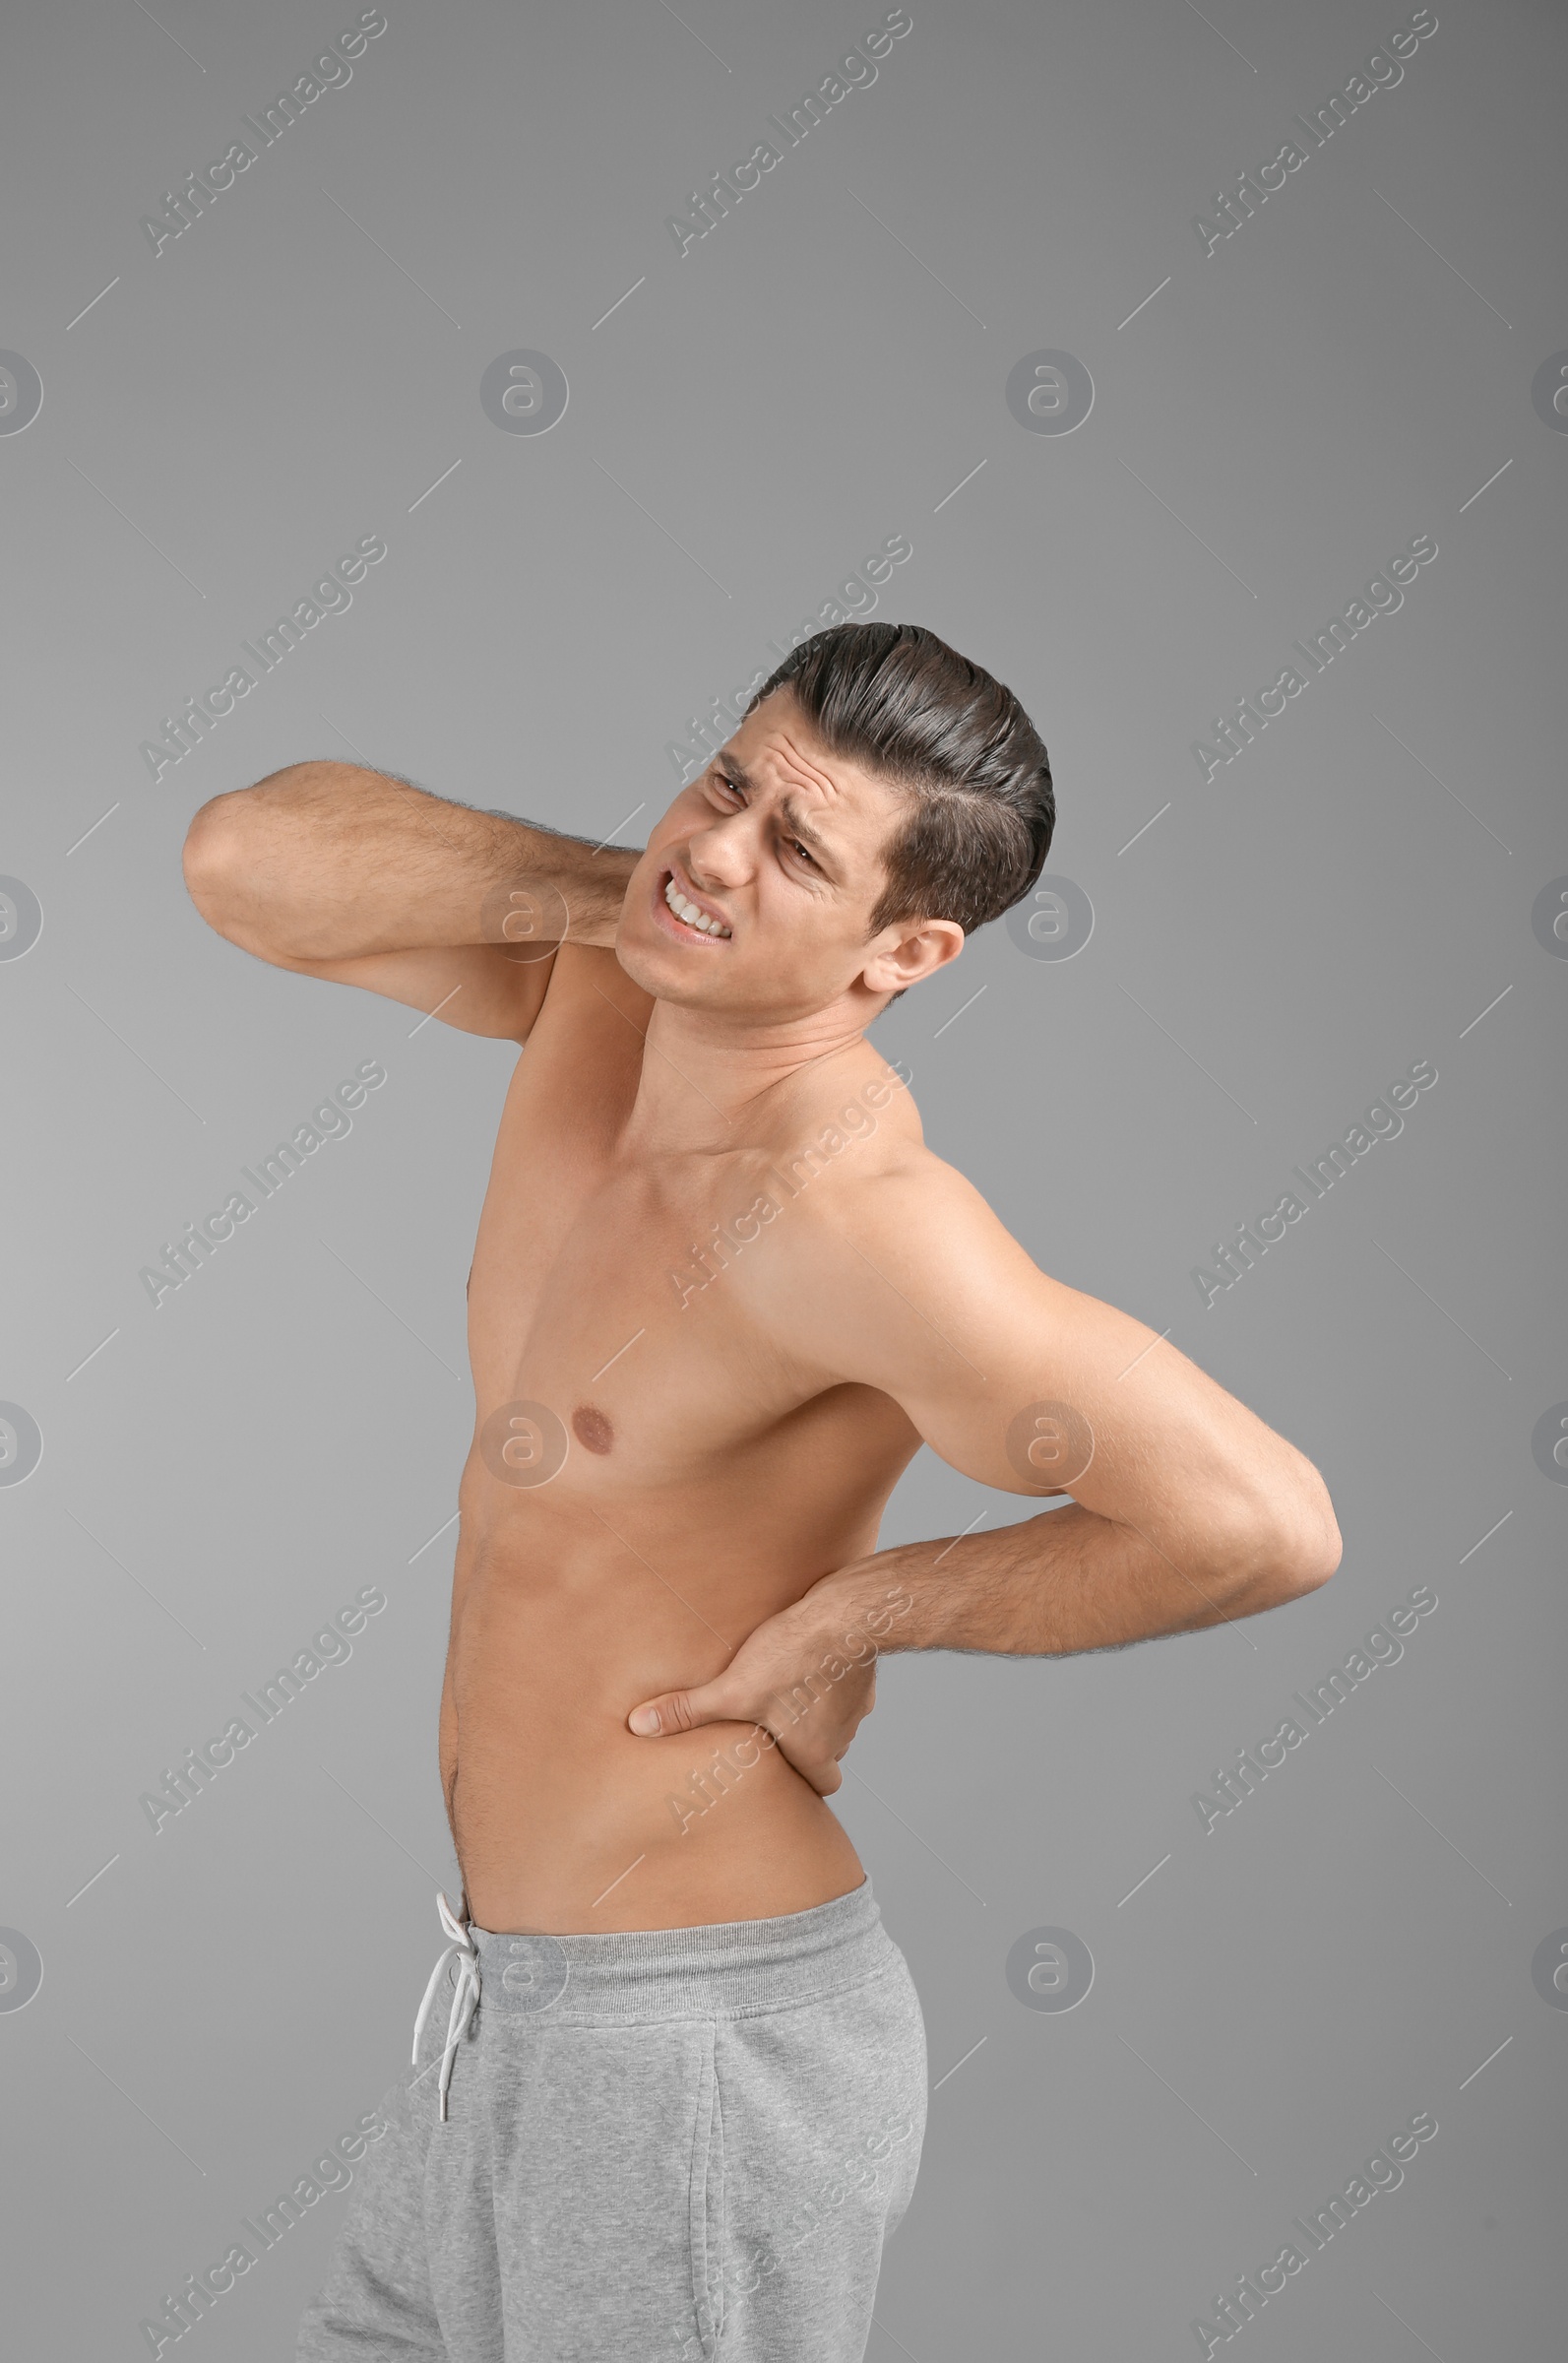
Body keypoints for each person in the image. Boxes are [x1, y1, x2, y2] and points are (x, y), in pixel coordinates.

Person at [181, 620, 1341, 2361]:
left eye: (798, 850)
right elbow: (245, 862)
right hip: (501, 2011)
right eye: (727, 782)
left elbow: (1265, 1523)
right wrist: (657, 907)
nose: (716, 844)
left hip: (690, 2054)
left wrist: (861, 1614)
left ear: (909, 949)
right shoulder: (599, 994)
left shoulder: (854, 1224)